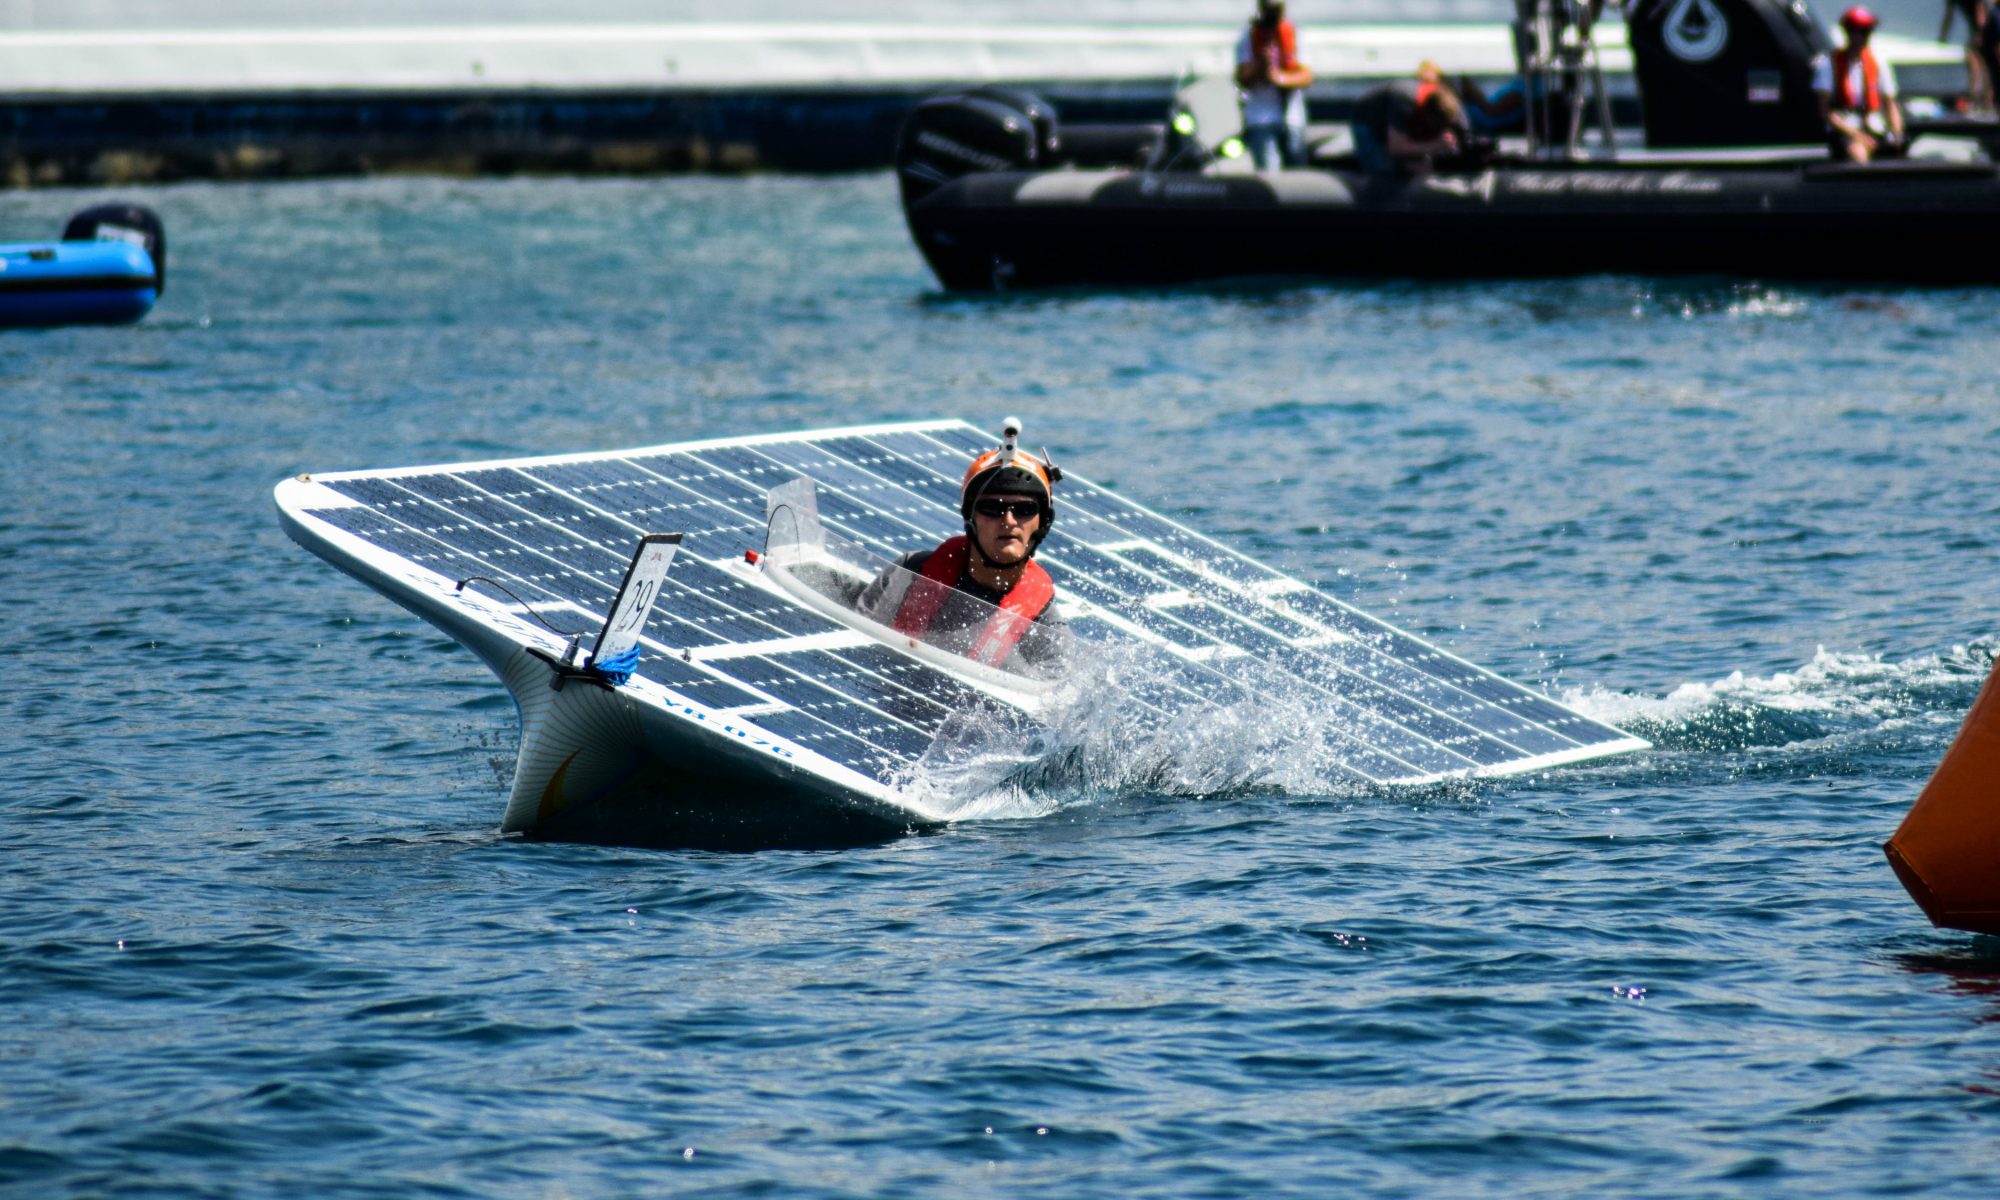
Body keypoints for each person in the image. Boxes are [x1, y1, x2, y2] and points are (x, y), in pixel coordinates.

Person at [856, 421, 1068, 673]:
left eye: (1024, 510)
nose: (1009, 521)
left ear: (1042, 522)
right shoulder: (909, 573)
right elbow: (858, 650)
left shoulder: (1044, 626)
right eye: (993, 509)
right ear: (970, 517)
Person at [1815, 7, 1907, 163]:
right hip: (1845, 128)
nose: (1863, 37)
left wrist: (1897, 134)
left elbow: (1890, 104)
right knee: (1857, 151)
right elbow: (1825, 111)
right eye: (1858, 31)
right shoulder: (1829, 64)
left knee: (1899, 151)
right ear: (1848, 33)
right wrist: (1856, 135)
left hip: (1875, 126)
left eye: (1867, 32)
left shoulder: (1878, 62)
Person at [1349, 61, 1471, 175]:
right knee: (1385, 170)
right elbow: (1396, 148)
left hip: (1403, 123)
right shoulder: (1405, 102)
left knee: (1420, 165)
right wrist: (1435, 145)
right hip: (1369, 121)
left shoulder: (1450, 104)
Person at [1235, 0, 1314, 170]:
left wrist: (1279, 78)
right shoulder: (1248, 36)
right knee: (1269, 169)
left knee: (1297, 169)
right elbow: (1241, 78)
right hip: (1261, 117)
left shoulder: (1294, 34)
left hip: (1292, 117)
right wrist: (1261, 65)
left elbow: (1306, 76)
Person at [1940, 0, 2000, 113]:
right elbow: (1949, 16)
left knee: (1984, 63)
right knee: (1979, 62)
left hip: (1989, 25)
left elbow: (1981, 10)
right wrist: (1943, 37)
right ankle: (1982, 98)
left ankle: (1987, 99)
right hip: (1982, 27)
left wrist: (1980, 31)